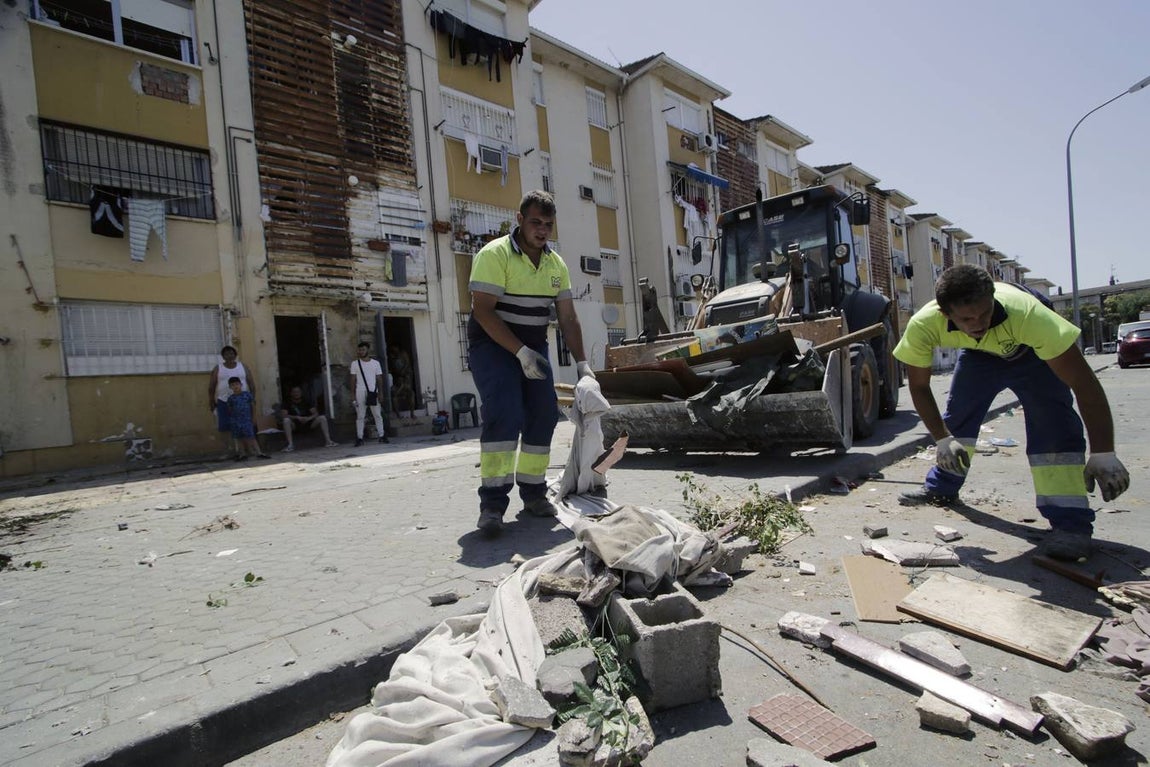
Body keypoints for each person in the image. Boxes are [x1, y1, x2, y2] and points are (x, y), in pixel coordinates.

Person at [893, 264, 1129, 561]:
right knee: (958, 421)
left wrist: (1103, 452)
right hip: (979, 356)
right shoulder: (924, 324)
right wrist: (941, 438)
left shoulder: (1030, 316)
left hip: (1032, 354)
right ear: (945, 314)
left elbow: (1084, 383)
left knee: (1053, 428)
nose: (978, 323)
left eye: (985, 313)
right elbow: (918, 386)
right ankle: (941, 487)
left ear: (993, 298)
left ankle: (1071, 526)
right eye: (967, 318)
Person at [467, 190, 595, 535]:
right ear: (520, 220)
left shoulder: (556, 265)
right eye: (535, 222)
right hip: (492, 345)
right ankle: (492, 505)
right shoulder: (494, 255)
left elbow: (568, 318)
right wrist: (519, 352)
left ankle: (534, 493)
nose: (542, 230)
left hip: (534, 345)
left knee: (542, 413)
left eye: (548, 225)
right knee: (505, 412)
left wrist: (583, 365)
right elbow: (483, 311)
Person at [208, 345, 256, 454]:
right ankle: (229, 451)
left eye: (231, 353)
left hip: (242, 403)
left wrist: (252, 398)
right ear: (223, 356)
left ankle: (247, 450)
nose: (229, 355)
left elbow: (251, 383)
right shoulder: (218, 368)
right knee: (225, 427)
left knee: (244, 426)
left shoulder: (243, 366)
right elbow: (211, 386)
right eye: (226, 353)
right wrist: (211, 400)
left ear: (235, 355)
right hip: (224, 401)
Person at [351, 341, 388, 446]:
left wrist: (381, 393)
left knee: (377, 414)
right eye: (359, 350)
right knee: (360, 415)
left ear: (368, 350)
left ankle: (382, 435)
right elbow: (352, 380)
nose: (361, 352)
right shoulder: (355, 364)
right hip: (360, 391)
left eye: (363, 349)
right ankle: (359, 438)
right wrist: (352, 395)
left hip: (373, 391)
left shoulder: (375, 363)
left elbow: (379, 379)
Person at [279, 385, 337, 452]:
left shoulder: (306, 401)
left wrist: (308, 418)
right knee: (286, 420)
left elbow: (316, 413)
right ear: (291, 393)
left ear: (301, 393)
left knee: (322, 418)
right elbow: (284, 415)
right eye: (294, 392)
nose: (296, 393)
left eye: (298, 392)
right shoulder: (286, 402)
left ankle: (328, 441)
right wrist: (297, 417)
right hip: (294, 424)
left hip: (308, 423)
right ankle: (290, 445)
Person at [226, 377, 269, 460]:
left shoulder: (247, 395)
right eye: (233, 385)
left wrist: (253, 417)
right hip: (236, 421)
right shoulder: (231, 398)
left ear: (241, 385)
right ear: (230, 387)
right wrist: (233, 420)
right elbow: (230, 410)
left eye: (237, 384)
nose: (235, 386)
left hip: (247, 419)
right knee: (239, 437)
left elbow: (253, 406)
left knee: (251, 436)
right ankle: (243, 454)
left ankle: (259, 453)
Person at [388, 344, 416, 419]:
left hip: (406, 379)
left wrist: (403, 372)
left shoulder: (403, 353)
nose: (394, 349)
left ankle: (412, 414)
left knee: (411, 394)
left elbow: (407, 364)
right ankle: (398, 415)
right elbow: (392, 370)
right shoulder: (392, 357)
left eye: (395, 347)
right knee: (394, 396)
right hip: (399, 380)